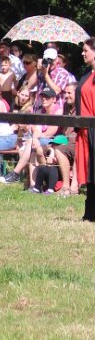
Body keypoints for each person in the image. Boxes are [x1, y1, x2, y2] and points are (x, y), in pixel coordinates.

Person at [75, 37, 95, 222]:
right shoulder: (87, 75)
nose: (82, 53)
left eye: (86, 50)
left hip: (93, 128)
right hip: (85, 130)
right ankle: (90, 213)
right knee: (90, 172)